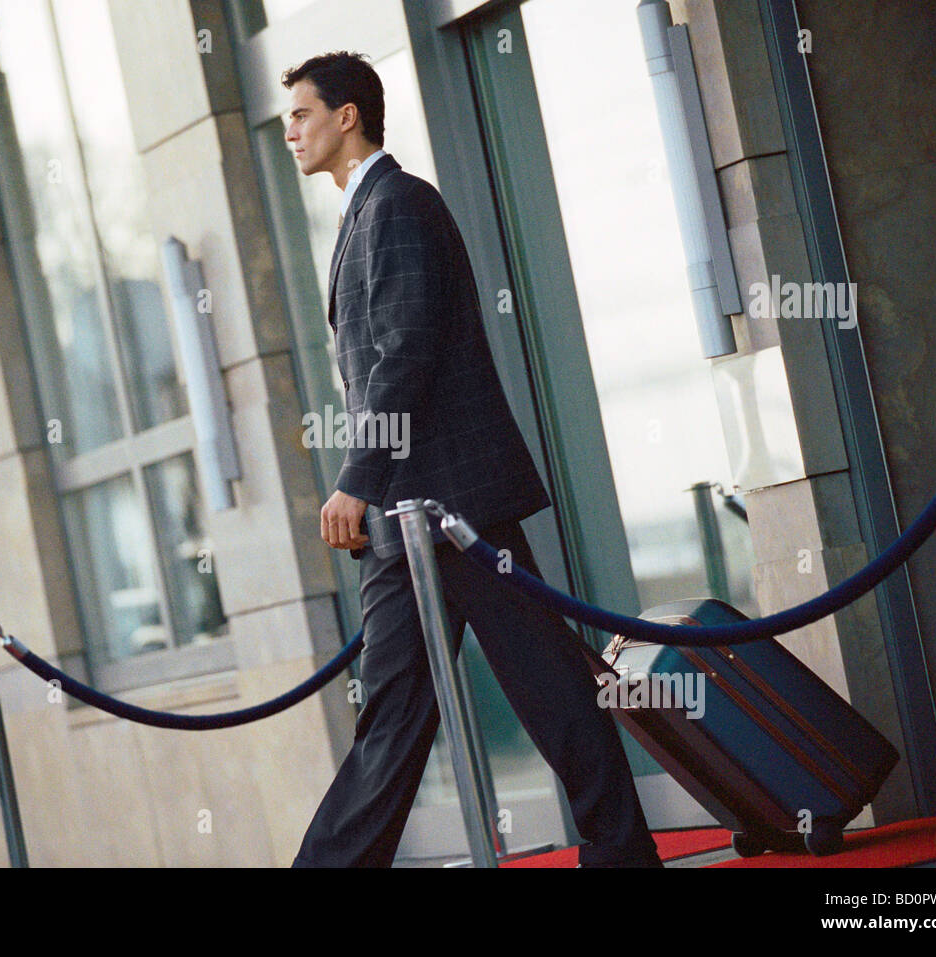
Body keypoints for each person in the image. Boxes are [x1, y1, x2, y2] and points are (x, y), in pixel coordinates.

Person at [282, 51, 662, 868]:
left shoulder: (399, 205)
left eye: (303, 114)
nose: (291, 132)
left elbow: (404, 351)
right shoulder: (365, 213)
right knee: (433, 704)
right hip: (415, 516)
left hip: (444, 506)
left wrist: (356, 480)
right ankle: (624, 849)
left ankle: (623, 849)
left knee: (534, 687)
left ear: (349, 116)